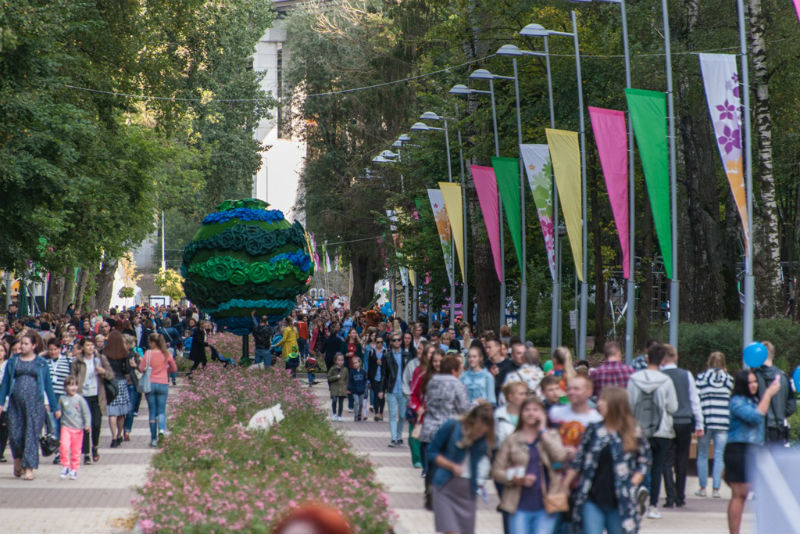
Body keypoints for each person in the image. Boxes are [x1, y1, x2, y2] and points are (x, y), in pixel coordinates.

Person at [565, 387, 650, 534]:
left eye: (603, 400)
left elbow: (644, 460)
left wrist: (633, 482)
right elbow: (578, 461)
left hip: (620, 499)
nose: (598, 403)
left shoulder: (633, 431)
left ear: (614, 403)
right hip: (592, 496)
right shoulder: (594, 429)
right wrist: (564, 486)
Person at [492, 396, 566, 534]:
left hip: (546, 503)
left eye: (535, 410)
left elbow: (560, 457)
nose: (531, 413)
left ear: (542, 414)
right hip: (518, 503)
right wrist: (515, 477)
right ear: (521, 413)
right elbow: (497, 471)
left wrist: (543, 432)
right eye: (527, 410)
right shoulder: (512, 440)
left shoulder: (551, 435)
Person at [725, 369, 781, 534]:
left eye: (755, 381)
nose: (754, 385)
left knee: (747, 492)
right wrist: (768, 395)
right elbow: (755, 417)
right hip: (738, 449)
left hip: (753, 449)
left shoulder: (753, 400)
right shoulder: (737, 401)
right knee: (739, 493)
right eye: (749, 382)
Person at [626, 343, 678, 519]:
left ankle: (638, 491)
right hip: (662, 431)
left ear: (647, 358)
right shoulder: (666, 381)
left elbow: (628, 405)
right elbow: (673, 407)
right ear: (663, 361)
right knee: (657, 468)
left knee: (638, 465)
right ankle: (653, 506)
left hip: (638, 431)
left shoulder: (634, 379)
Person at [0, 332, 60, 480]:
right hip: (15, 403)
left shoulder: (41, 363)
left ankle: (29, 468)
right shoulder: (13, 362)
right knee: (15, 434)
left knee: (31, 435)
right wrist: (1, 403)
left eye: (26, 343)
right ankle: (18, 459)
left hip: (35, 404)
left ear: (33, 345)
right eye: (22, 343)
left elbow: (48, 386)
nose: (23, 346)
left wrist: (54, 407)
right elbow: (5, 383)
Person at [428, 403, 495, 534]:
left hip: (467, 492)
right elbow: (431, 452)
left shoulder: (484, 438)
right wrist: (451, 466)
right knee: (450, 530)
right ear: (471, 420)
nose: (480, 432)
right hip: (445, 486)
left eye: (484, 430)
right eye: (478, 428)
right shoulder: (453, 425)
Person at [420, 352, 470, 509]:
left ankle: (429, 491)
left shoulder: (432, 381)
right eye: (460, 369)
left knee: (431, 464)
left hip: (429, 427)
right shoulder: (456, 384)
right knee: (447, 463)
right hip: (447, 430)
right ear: (454, 370)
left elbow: (427, 400)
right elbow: (463, 408)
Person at [660, 344, 704, 508]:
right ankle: (681, 496)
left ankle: (670, 496)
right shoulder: (687, 375)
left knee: (666, 460)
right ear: (676, 357)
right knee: (682, 458)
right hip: (685, 421)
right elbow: (694, 400)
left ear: (662, 359)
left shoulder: (661, 376)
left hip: (667, 421)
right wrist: (699, 422)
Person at [694, 351, 734, 499]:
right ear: (724, 363)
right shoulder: (728, 379)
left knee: (703, 454)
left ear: (709, 362)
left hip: (706, 421)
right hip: (723, 421)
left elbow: (696, 399)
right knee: (719, 455)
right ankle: (716, 488)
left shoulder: (701, 378)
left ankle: (703, 487)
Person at [70, 337, 113, 464]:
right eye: (87, 345)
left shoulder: (100, 359)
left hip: (97, 396)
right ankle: (86, 453)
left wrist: (103, 371)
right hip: (83, 396)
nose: (90, 348)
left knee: (96, 424)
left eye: (92, 345)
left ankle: (95, 446)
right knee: (85, 426)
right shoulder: (77, 361)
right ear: (82, 347)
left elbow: (111, 375)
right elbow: (72, 378)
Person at [752, 341, 796, 445]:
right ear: (773, 354)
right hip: (779, 427)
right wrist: (780, 413)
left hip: (759, 428)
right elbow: (791, 406)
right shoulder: (784, 377)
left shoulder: (754, 377)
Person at [139, 333, 177, 447]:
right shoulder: (166, 353)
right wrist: (166, 371)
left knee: (152, 411)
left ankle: (154, 439)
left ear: (151, 342)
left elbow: (141, 369)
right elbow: (174, 368)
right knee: (161, 410)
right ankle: (161, 430)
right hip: (163, 383)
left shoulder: (148, 353)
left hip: (150, 384)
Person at [382, 333, 413, 447]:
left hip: (404, 390)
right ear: (391, 342)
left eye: (398, 340)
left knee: (402, 415)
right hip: (391, 389)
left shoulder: (407, 355)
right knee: (392, 414)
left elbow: (410, 373)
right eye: (394, 340)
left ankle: (399, 436)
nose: (396, 342)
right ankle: (394, 438)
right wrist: (381, 390)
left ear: (401, 341)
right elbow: (384, 374)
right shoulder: (387, 356)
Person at [57, 376, 91, 480]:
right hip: (66, 427)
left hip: (78, 428)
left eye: (75, 385)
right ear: (65, 387)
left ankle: (74, 469)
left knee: (76, 450)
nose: (73, 387)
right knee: (64, 446)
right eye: (70, 385)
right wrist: (57, 413)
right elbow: (59, 411)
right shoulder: (62, 399)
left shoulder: (80, 399)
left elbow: (86, 412)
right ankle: (65, 466)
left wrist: (87, 424)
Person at [104, 330, 131, 448]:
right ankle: (120, 434)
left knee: (112, 412)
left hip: (110, 383)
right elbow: (127, 370)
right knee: (121, 412)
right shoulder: (124, 353)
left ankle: (113, 436)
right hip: (121, 382)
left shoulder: (105, 353)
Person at [121, 334, 142, 442]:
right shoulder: (118, 355)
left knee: (130, 409)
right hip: (121, 383)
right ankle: (120, 430)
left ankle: (127, 430)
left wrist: (135, 366)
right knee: (120, 410)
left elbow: (142, 368)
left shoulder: (135, 355)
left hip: (132, 383)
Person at [368, 336, 387, 422]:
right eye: (378, 342)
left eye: (381, 342)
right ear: (375, 342)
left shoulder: (386, 351)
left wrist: (381, 363)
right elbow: (370, 365)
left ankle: (381, 412)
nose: (379, 344)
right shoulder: (372, 352)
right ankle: (376, 413)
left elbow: (387, 365)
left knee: (382, 395)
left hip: (383, 377)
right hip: (374, 377)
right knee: (375, 395)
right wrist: (369, 379)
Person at [328, 353, 349, 421]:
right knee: (334, 400)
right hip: (335, 388)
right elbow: (329, 378)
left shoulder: (345, 369)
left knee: (341, 402)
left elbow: (347, 379)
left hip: (342, 388)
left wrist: (347, 388)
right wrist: (336, 377)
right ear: (335, 361)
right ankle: (334, 413)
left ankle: (339, 415)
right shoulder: (332, 369)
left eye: (342, 360)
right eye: (339, 360)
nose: (341, 362)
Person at [348, 356, 367, 422]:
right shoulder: (352, 372)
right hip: (355, 390)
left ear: (360, 363)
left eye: (356, 363)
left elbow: (365, 380)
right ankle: (355, 415)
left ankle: (359, 414)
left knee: (361, 404)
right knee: (356, 402)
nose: (355, 364)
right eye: (354, 363)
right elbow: (350, 381)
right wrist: (350, 388)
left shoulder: (363, 371)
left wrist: (364, 387)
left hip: (361, 390)